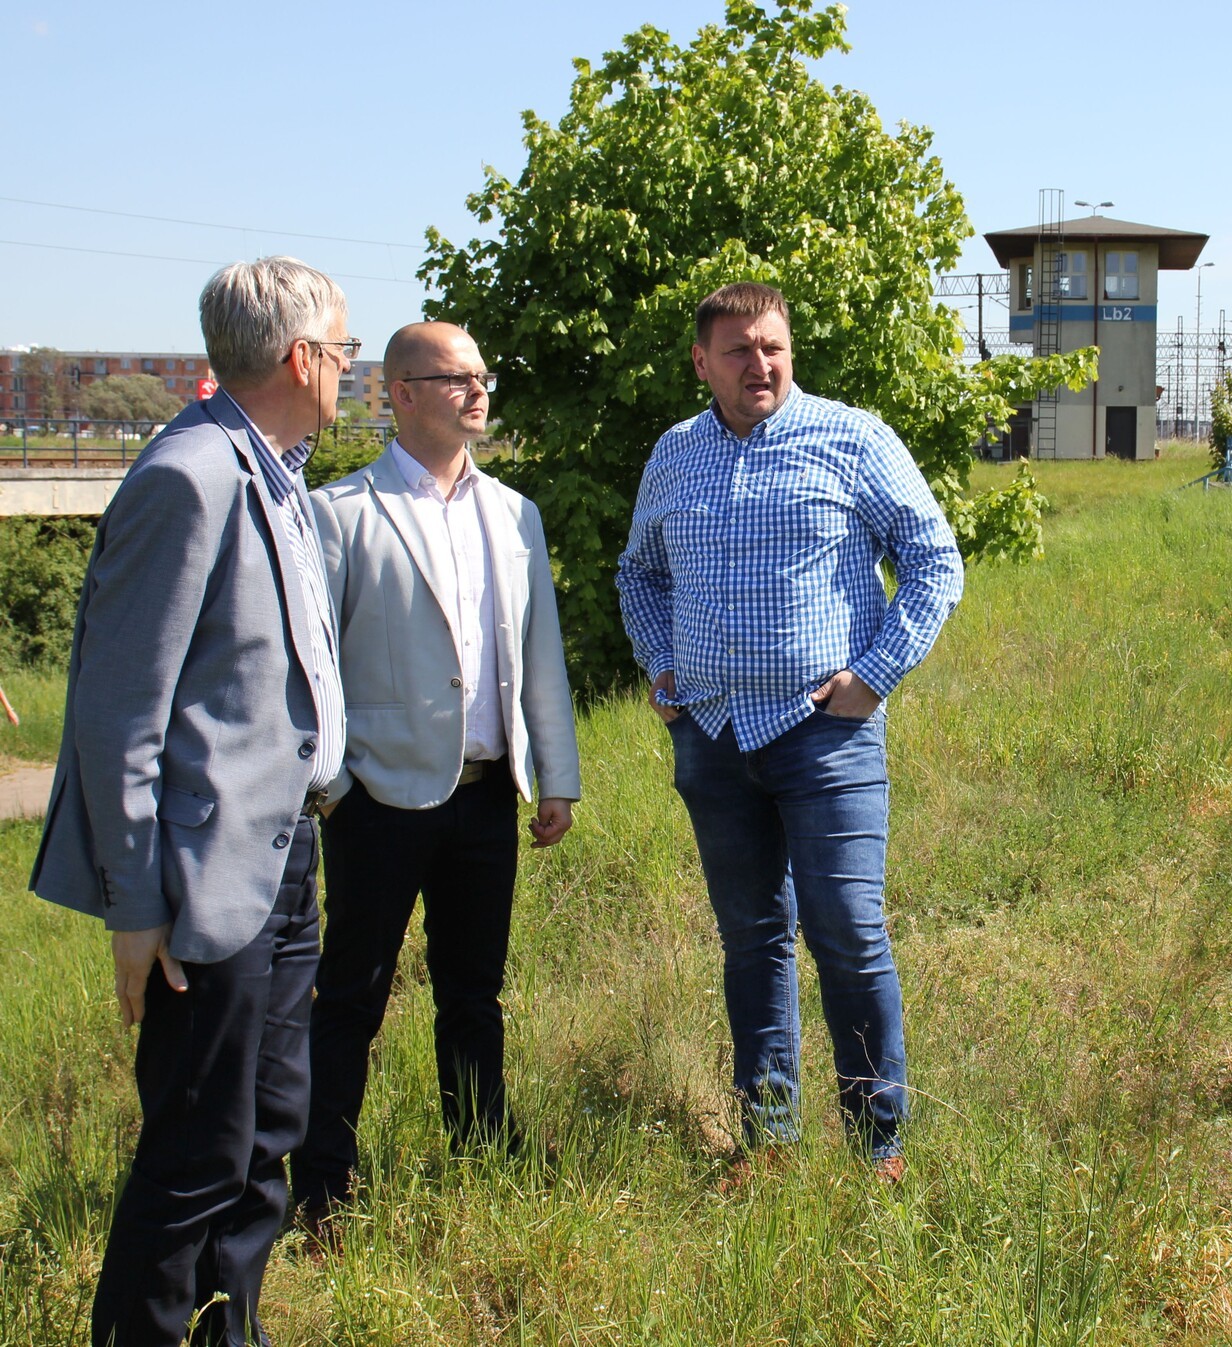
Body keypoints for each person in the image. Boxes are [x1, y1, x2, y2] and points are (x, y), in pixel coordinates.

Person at [31, 256, 352, 1347]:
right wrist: (135, 905)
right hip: (206, 880)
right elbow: (118, 714)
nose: (347, 368)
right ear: (303, 358)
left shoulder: (276, 472)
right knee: (195, 1153)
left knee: (265, 1139)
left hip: (286, 856)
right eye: (345, 350)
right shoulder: (190, 475)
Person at [615, 282, 963, 1180]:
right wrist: (661, 663)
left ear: (790, 350)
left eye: (771, 346)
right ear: (703, 361)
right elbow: (639, 572)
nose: (758, 364)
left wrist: (875, 675)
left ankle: (878, 1144)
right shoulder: (674, 453)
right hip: (711, 735)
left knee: (848, 930)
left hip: (824, 735)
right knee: (752, 937)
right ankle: (768, 1137)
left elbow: (934, 559)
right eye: (737, 349)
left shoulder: (854, 438)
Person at [290, 322, 581, 1226]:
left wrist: (555, 774)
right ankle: (323, 1185)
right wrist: (334, 788)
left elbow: (539, 653)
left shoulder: (515, 513)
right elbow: (313, 666)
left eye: (481, 375)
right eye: (456, 377)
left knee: (473, 993)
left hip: (487, 795)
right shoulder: (339, 513)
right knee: (351, 997)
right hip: (378, 800)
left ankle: (484, 1152)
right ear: (402, 392)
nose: (477, 389)